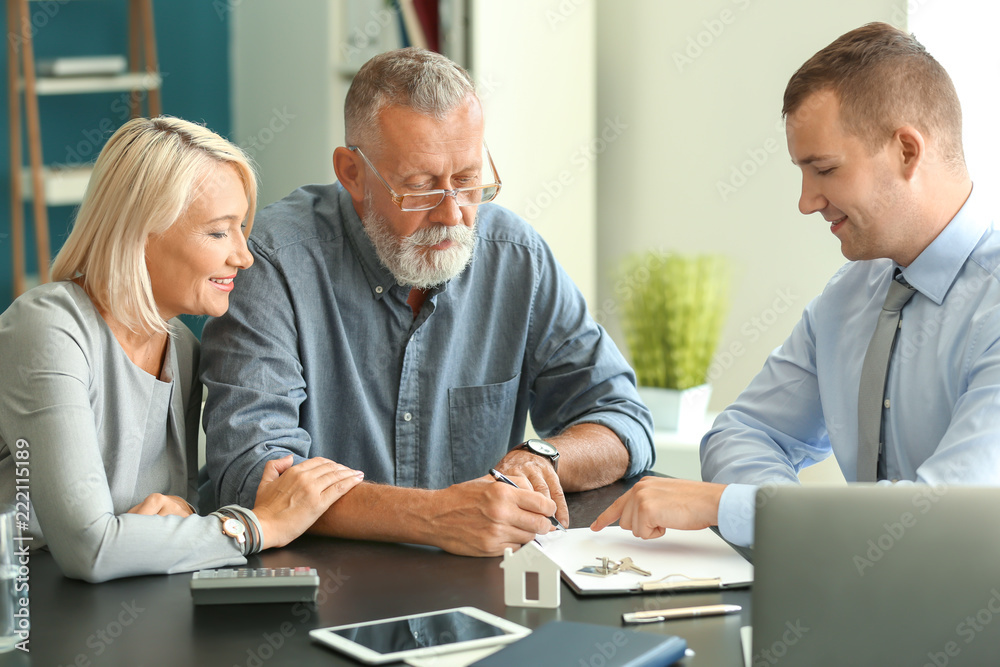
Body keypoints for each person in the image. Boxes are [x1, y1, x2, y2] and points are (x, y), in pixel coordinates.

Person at [200, 48, 654, 557]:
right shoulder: (271, 262)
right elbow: (250, 472)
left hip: (477, 600)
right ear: (352, 172)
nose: (454, 215)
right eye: (419, 187)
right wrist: (433, 517)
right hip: (317, 604)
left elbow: (621, 416)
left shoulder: (516, 256)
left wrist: (543, 456)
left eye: (467, 180)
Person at [593, 22, 1000, 546]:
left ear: (906, 151)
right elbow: (740, 433)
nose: (806, 201)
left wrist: (737, 508)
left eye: (825, 169)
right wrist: (792, 526)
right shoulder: (849, 297)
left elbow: (943, 520)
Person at [0, 117, 364, 583]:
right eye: (218, 232)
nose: (243, 255)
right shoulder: (48, 329)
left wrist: (187, 513)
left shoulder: (183, 350)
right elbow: (88, 548)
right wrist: (260, 525)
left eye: (242, 229)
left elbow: (169, 516)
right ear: (141, 232)